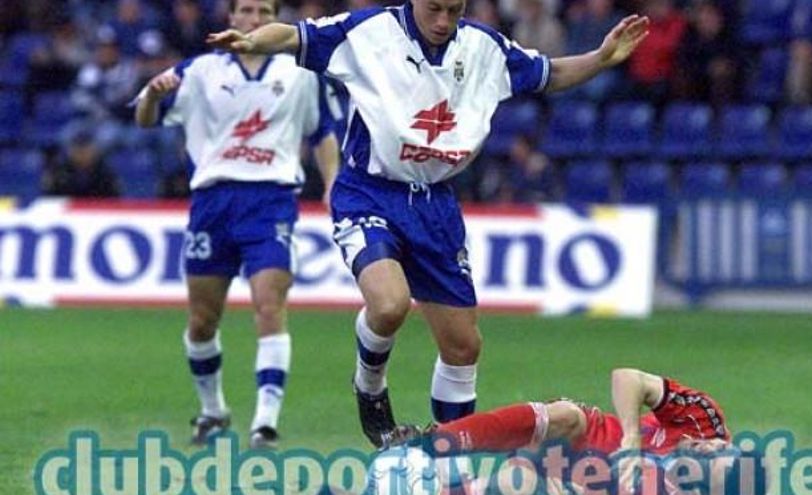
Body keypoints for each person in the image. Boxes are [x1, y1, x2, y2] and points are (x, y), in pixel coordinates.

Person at [207, 0, 648, 448]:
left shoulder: (484, 47)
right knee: (389, 304)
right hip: (369, 192)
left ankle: (448, 457)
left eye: (453, 11)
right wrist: (252, 41)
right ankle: (369, 384)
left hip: (435, 206)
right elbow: (292, 36)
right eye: (433, 9)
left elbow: (549, 74)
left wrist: (601, 57)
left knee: (463, 347)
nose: (442, 21)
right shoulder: (369, 32)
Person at [134, 0, 340, 449]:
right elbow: (145, 119)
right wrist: (151, 94)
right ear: (230, 19)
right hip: (213, 200)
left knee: (269, 305)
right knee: (203, 320)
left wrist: (332, 182)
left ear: (276, 20)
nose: (256, 20)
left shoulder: (300, 72)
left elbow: (322, 131)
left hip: (272, 199)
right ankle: (213, 411)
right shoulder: (201, 70)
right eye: (247, 10)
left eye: (266, 12)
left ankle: (265, 421)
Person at [385, 368, 734, 494]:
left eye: (705, 458)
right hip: (593, 437)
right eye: (718, 448)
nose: (708, 446)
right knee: (566, 415)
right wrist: (630, 436)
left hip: (588, 478)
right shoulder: (704, 421)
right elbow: (627, 377)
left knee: (519, 484)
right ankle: (438, 440)